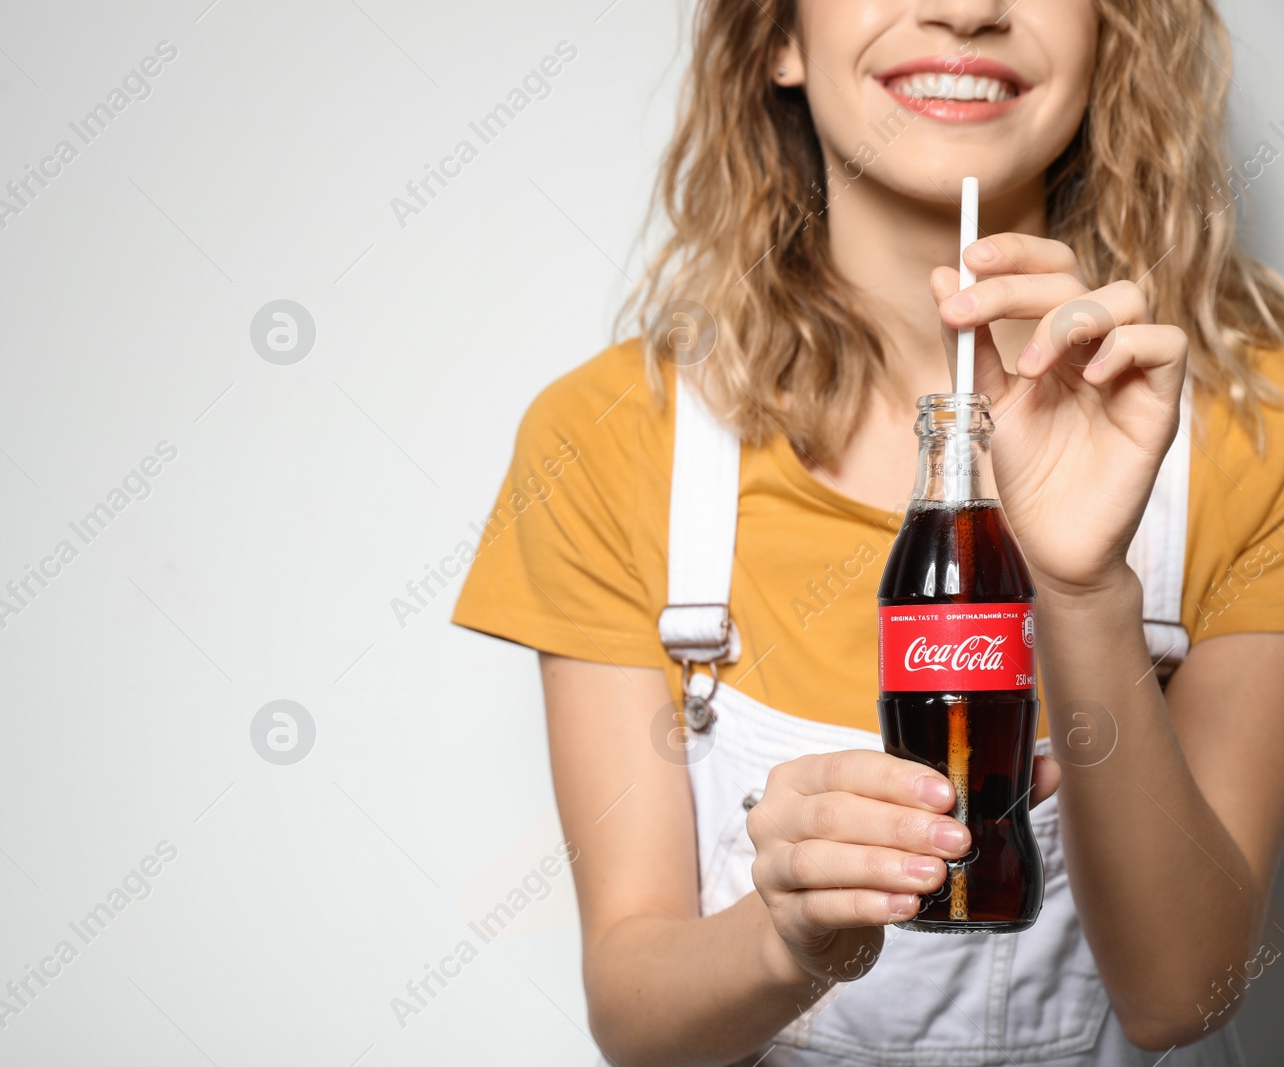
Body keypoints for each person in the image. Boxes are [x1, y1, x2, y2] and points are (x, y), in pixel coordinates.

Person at [451, 0, 1284, 1064]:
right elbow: (635, 1018)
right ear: (778, 38)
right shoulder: (611, 438)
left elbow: (1184, 993)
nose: (967, 8)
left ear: (1109, 33)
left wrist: (1082, 592)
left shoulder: (1251, 427)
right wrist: (790, 932)